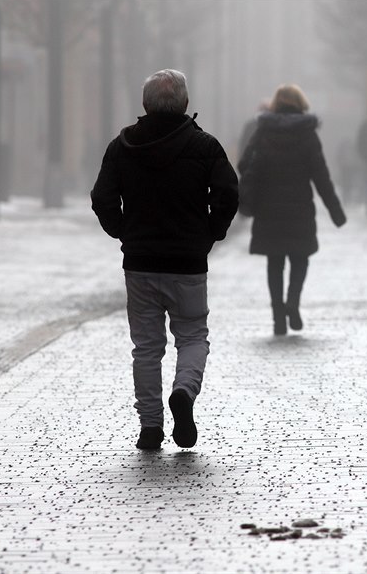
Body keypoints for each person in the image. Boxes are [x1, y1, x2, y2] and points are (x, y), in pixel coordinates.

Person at [91, 69, 239, 450]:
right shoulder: (205, 147)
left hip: (140, 263)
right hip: (187, 263)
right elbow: (228, 194)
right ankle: (184, 393)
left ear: (145, 104)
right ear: (185, 103)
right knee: (192, 335)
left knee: (146, 347)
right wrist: (209, 234)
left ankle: (151, 427)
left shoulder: (122, 147)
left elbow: (102, 197)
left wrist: (123, 231)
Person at [238, 84, 346, 336]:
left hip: (268, 208)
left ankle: (278, 317)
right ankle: (293, 303)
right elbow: (321, 176)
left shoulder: (262, 131)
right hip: (300, 208)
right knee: (300, 258)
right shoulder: (307, 133)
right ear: (300, 103)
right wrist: (335, 211)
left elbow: (245, 163)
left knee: (274, 262)